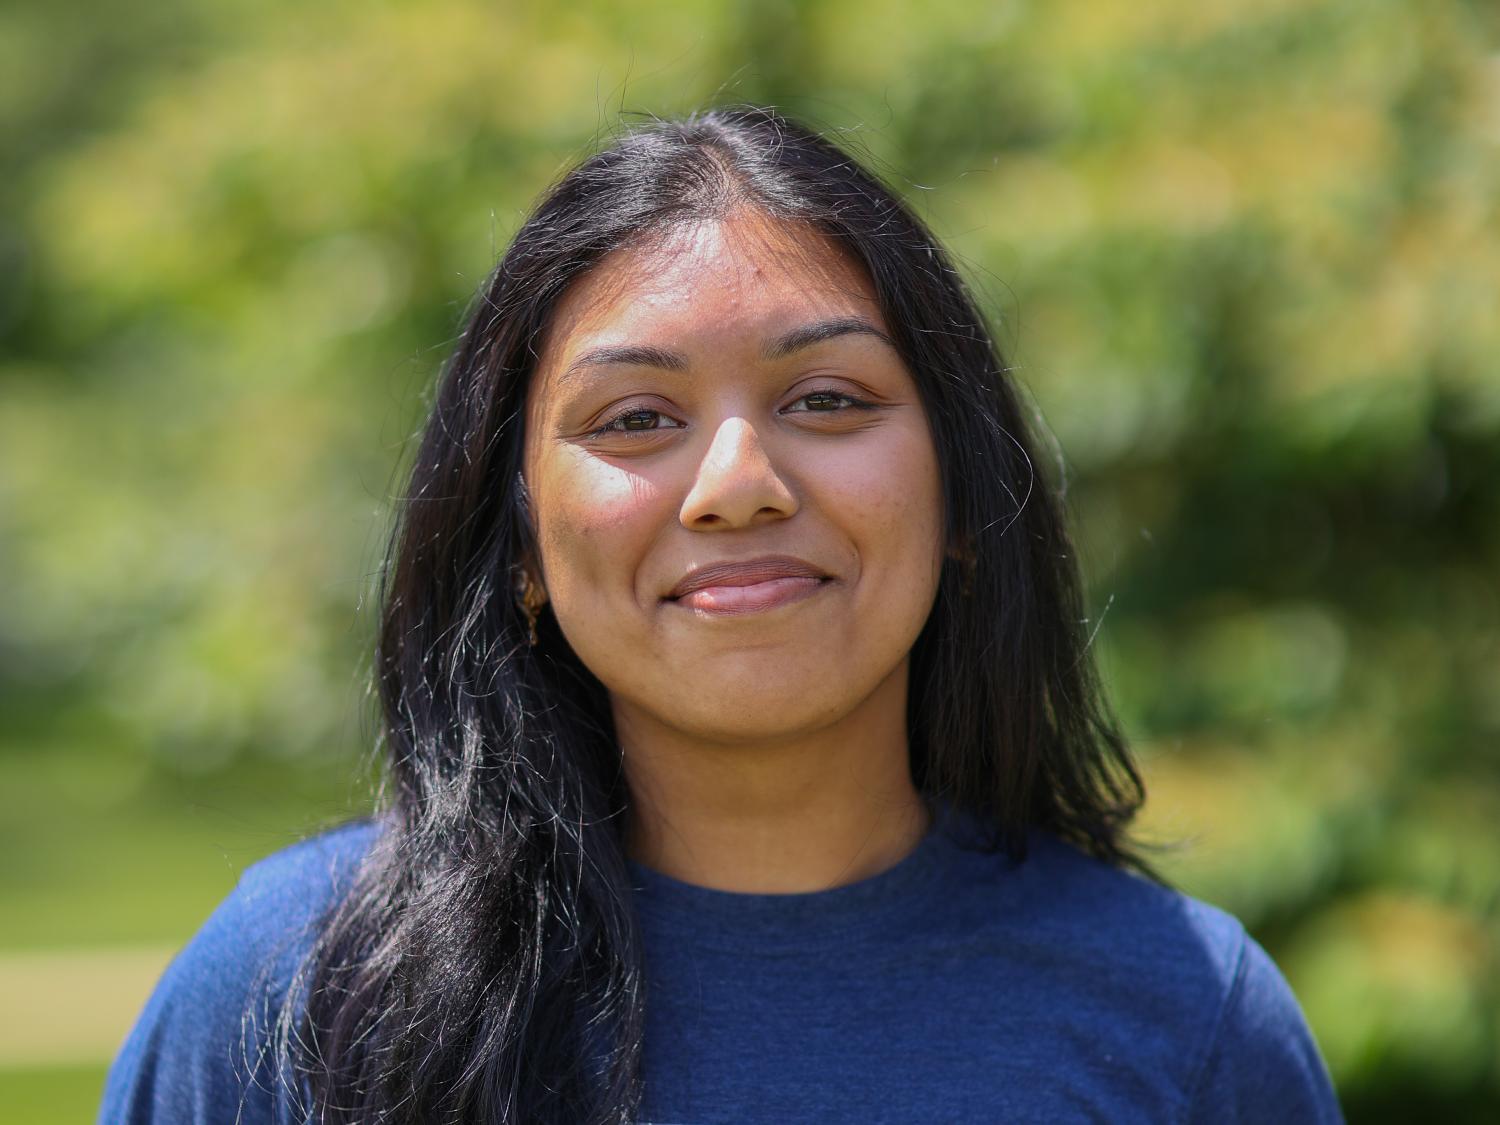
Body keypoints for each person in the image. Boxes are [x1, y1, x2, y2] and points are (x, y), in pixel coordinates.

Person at [100, 106, 1343, 1124]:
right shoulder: (297, 989)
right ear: (521, 543)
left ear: (964, 496)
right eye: (636, 418)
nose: (739, 484)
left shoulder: (1187, 1016)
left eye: (829, 398)